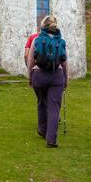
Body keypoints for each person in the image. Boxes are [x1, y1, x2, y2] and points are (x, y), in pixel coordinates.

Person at [26, 14, 67, 147]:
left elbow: (31, 61)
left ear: (43, 26)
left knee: (41, 102)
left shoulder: (36, 40)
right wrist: (66, 78)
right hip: (57, 75)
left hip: (39, 75)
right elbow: (65, 62)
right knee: (54, 108)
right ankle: (51, 140)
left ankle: (42, 130)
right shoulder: (61, 42)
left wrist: (30, 76)